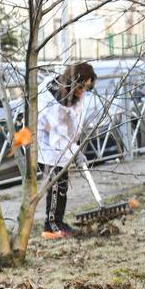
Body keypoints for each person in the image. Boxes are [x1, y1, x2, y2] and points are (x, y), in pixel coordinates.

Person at [37, 61, 97, 239]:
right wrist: (76, 153)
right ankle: (51, 226)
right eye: (81, 87)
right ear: (72, 82)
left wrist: (76, 147)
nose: (83, 92)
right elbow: (59, 138)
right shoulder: (56, 102)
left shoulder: (74, 92)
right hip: (46, 145)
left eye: (87, 87)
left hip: (61, 143)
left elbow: (73, 125)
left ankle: (58, 222)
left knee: (62, 184)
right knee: (56, 184)